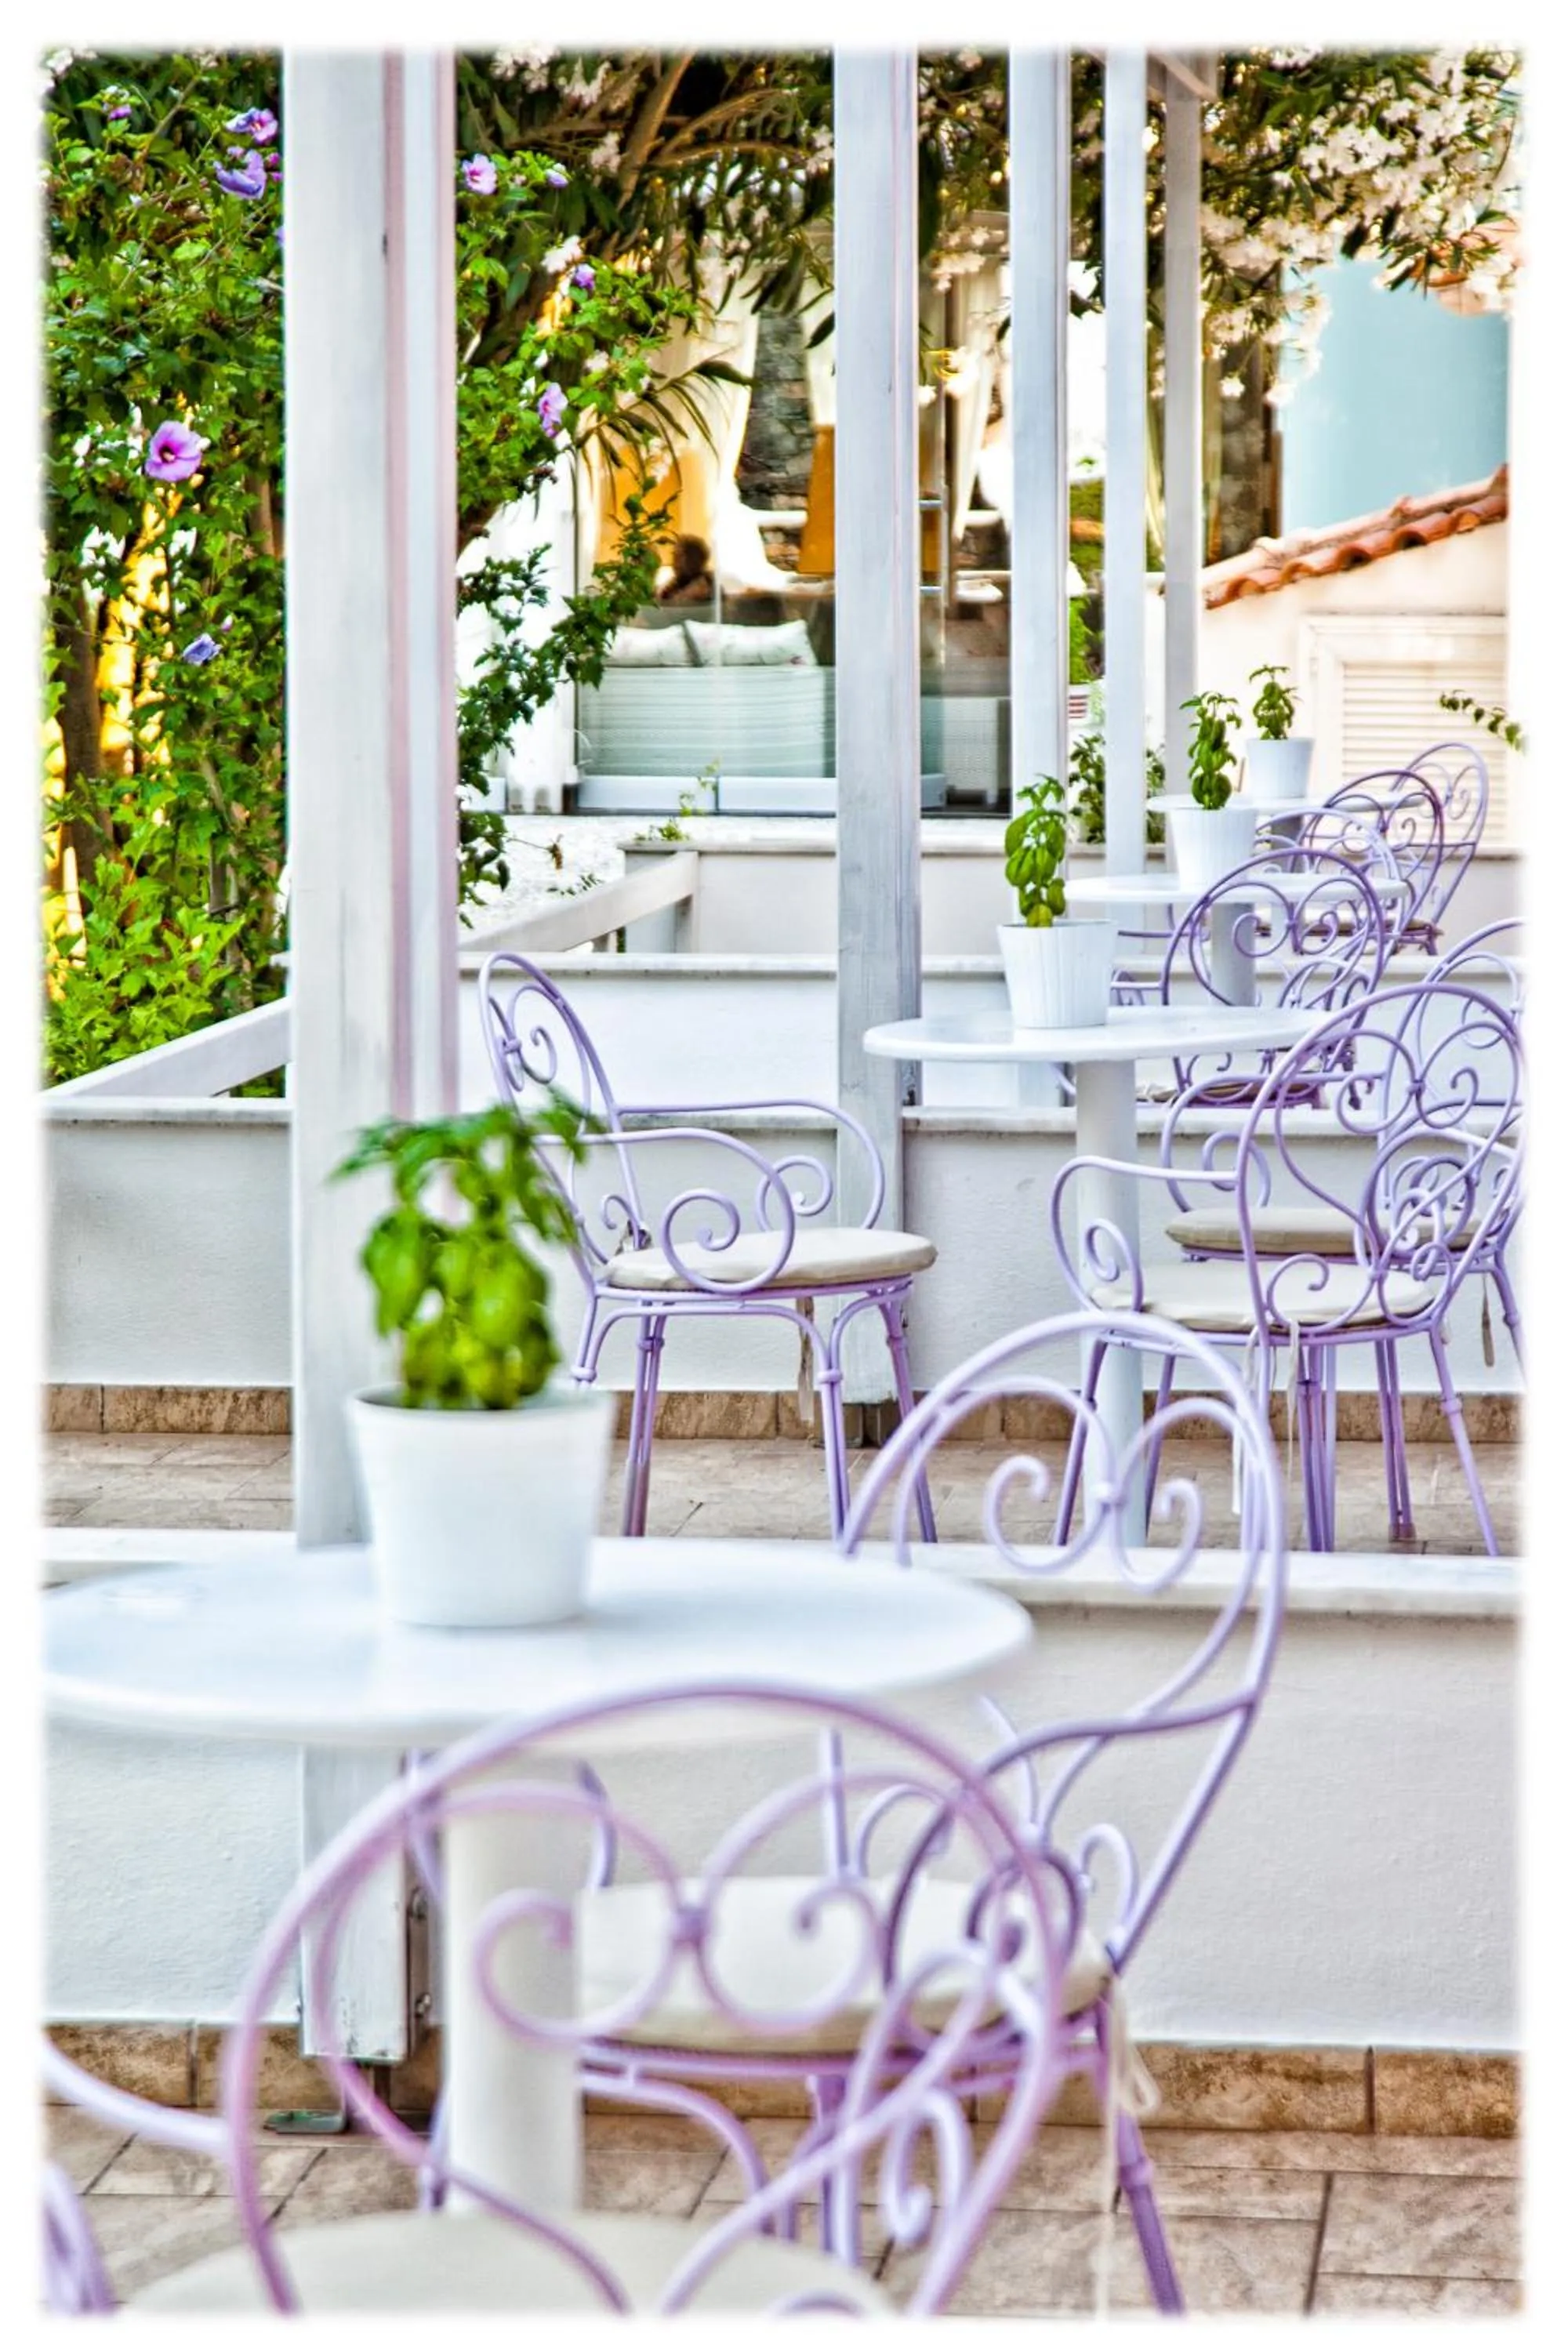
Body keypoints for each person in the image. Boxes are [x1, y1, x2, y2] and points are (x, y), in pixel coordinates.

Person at [658, 534, 716, 606]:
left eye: (679, 556)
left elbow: (673, 610)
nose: (674, 562)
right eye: (674, 556)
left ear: (693, 560)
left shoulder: (705, 585)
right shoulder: (676, 582)